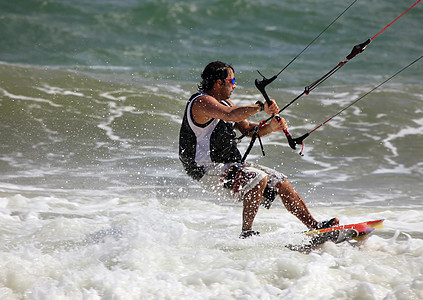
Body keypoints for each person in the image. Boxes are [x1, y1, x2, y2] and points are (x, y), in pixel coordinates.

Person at [179, 61, 339, 238]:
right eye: (232, 81)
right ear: (219, 82)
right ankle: (246, 233)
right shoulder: (201, 102)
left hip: (227, 166)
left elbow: (248, 130)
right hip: (205, 168)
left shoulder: (225, 102)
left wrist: (270, 127)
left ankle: (315, 227)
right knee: (257, 178)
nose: (235, 85)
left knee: (281, 181)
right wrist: (261, 107)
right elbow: (231, 114)